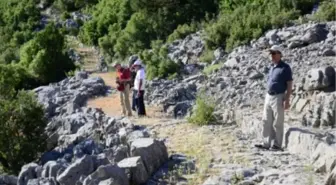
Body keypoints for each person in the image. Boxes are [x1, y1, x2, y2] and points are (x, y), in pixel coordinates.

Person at [255, 45, 293, 151]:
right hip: (269, 95)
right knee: (266, 120)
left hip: (279, 96)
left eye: (274, 53)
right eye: (270, 53)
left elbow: (289, 84)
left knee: (278, 121)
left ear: (279, 54)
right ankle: (266, 143)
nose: (271, 55)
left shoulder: (285, 68)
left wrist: (287, 99)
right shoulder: (272, 67)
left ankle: (277, 144)